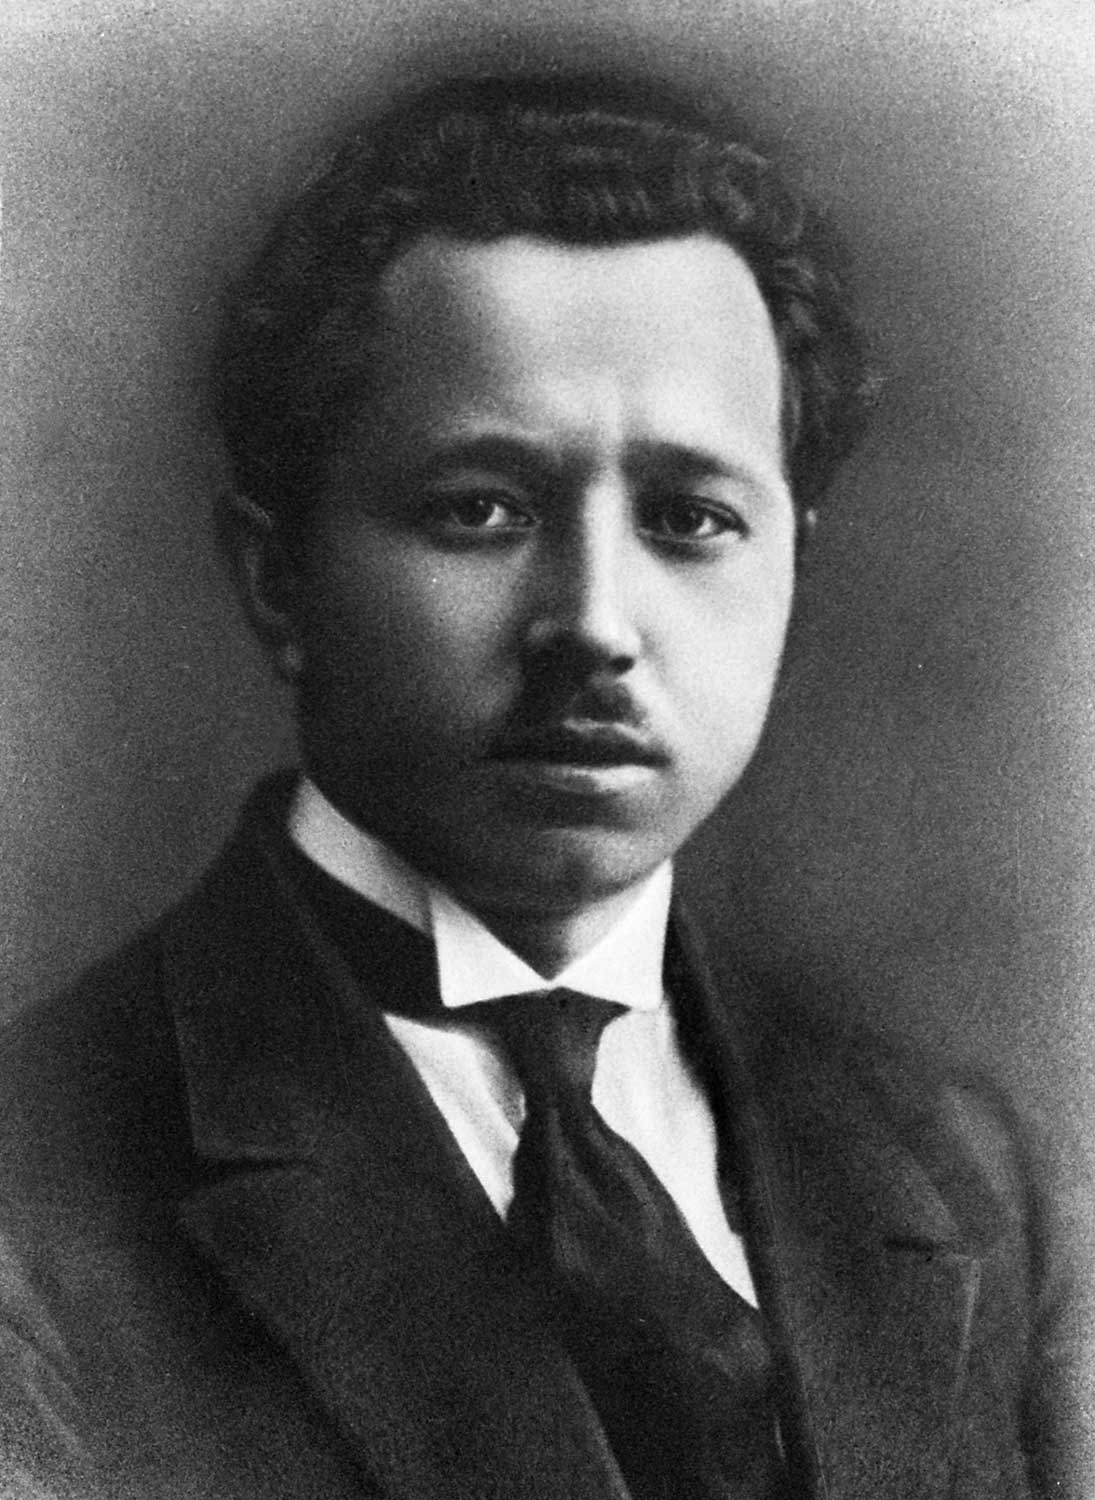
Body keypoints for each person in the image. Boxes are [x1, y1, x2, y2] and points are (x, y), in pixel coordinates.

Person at [0, 69, 1088, 1500]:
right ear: (278, 578)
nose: (593, 621)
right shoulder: (39, 1193)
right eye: (482, 509)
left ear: (792, 568)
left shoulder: (964, 1175)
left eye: (690, 517)